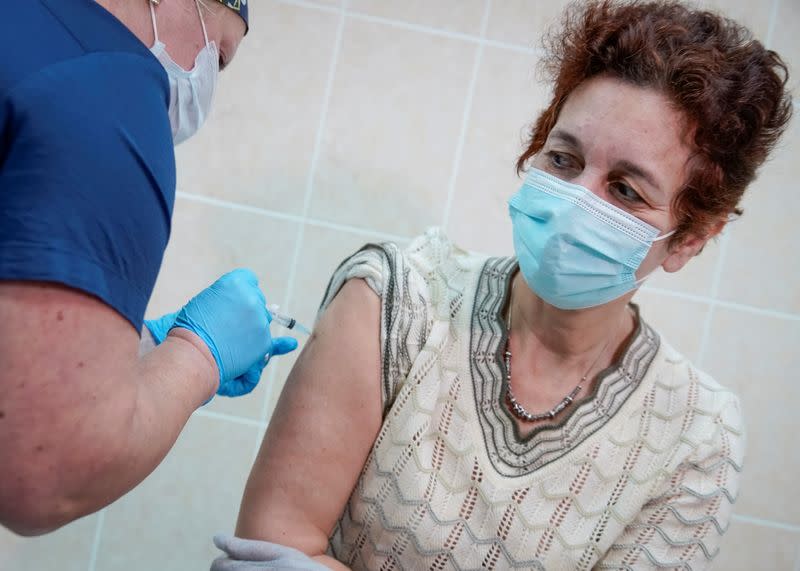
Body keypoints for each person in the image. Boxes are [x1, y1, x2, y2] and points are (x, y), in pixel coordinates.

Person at [224, 1, 793, 569]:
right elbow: (273, 549)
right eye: (565, 160)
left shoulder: (695, 438)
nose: (575, 202)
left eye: (625, 191)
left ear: (690, 237)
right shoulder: (397, 299)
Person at [0, 0, 297, 536]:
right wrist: (197, 355)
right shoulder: (111, 96)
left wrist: (139, 349)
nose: (208, 79)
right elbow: (44, 477)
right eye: (220, 57)